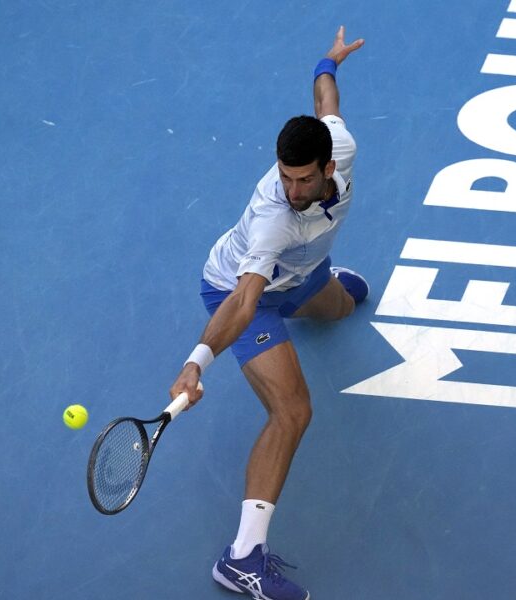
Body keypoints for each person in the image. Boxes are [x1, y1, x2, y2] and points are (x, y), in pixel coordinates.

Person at [167, 26, 367, 600]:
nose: (293, 187)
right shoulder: (274, 219)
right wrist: (197, 362)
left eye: (304, 178)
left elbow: (327, 100)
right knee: (293, 411)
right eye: (285, 176)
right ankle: (242, 559)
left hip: (304, 276)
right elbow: (245, 298)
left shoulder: (340, 146)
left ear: (330, 166)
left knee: (342, 308)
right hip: (240, 291)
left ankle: (325, 302)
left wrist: (327, 61)